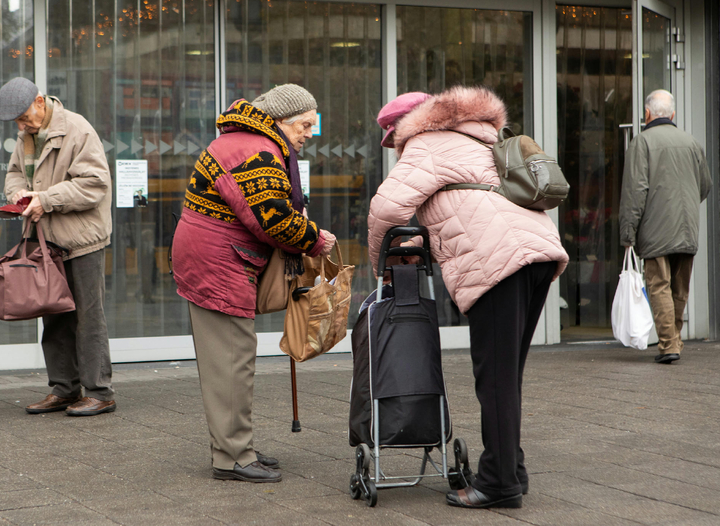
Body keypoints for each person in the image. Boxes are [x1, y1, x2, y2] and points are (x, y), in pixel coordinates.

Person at [368, 87, 569, 508]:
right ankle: (511, 468)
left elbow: (386, 209)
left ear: (405, 127)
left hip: (499, 258)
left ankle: (498, 484)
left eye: (392, 140)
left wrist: (382, 269)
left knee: (494, 378)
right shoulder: (480, 135)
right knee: (505, 373)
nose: (395, 150)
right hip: (537, 253)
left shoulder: (425, 143)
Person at [171, 84, 336, 483]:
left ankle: (234, 445)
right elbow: (273, 219)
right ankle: (233, 458)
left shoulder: (249, 141)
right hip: (218, 262)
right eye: (304, 124)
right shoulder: (256, 151)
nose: (309, 133)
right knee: (232, 361)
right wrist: (315, 238)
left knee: (231, 359)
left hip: (214, 256)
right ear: (279, 120)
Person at [0, 77, 115, 417]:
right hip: (46, 240)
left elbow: (95, 184)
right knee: (54, 316)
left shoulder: (78, 129)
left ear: (39, 101)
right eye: (16, 122)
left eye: (23, 117)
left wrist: (45, 200)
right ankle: (64, 388)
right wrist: (17, 194)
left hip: (81, 239)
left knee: (88, 317)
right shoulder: (27, 137)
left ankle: (99, 391)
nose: (21, 126)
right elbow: (15, 174)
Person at [619, 89, 712, 364]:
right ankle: (676, 340)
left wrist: (628, 233)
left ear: (647, 113)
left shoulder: (642, 143)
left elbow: (635, 192)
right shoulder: (691, 142)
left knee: (659, 285)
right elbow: (704, 186)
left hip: (655, 229)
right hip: (687, 227)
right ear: (672, 115)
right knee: (679, 289)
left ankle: (669, 344)